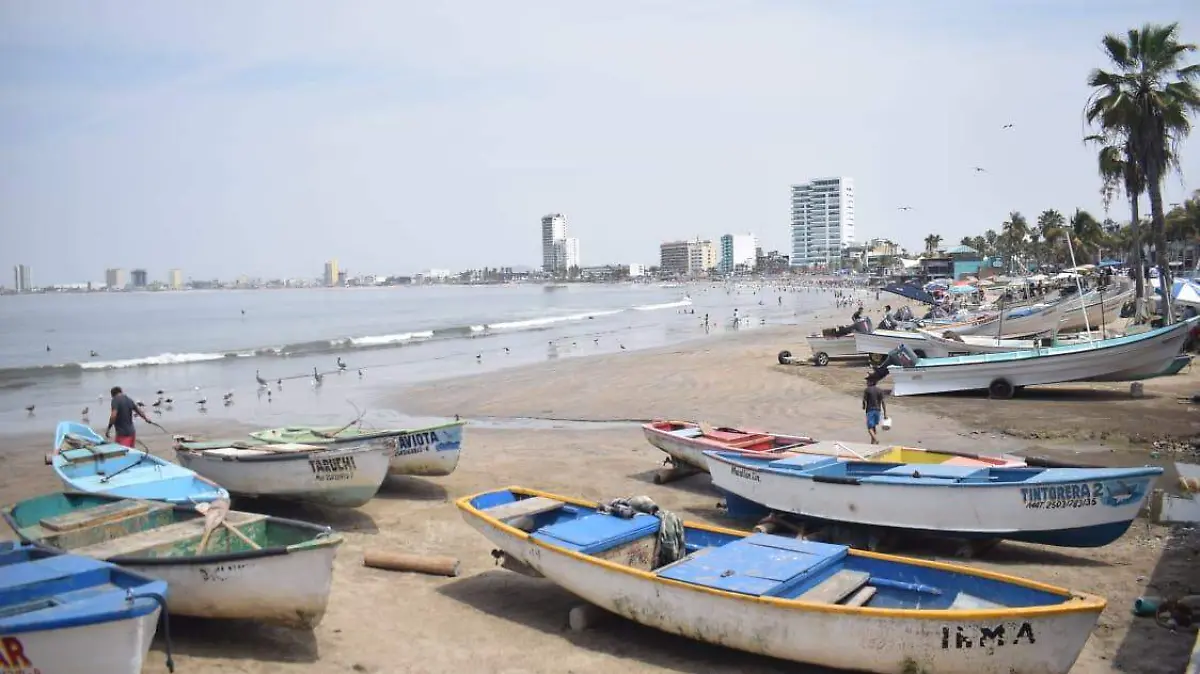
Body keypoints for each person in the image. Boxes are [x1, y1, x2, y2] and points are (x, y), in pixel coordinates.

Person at [862, 376, 887, 445]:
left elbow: (864, 400)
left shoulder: (867, 390)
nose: (867, 382)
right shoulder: (880, 390)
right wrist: (885, 413)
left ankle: (876, 440)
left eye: (868, 381)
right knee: (873, 427)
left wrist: (863, 406)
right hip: (878, 411)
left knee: (869, 428)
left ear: (871, 382)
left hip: (870, 410)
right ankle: (872, 444)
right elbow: (883, 402)